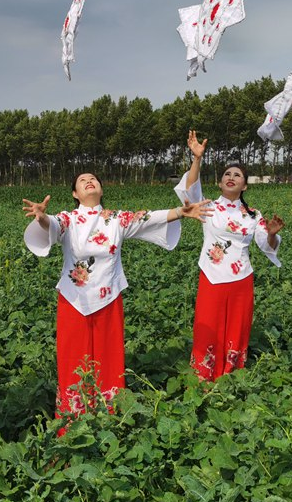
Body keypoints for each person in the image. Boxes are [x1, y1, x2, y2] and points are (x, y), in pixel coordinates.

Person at [22, 172, 211, 429]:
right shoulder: (69, 218)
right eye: (81, 180)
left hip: (108, 298)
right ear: (75, 194)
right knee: (72, 360)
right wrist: (43, 217)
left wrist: (181, 211)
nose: (89, 181)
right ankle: (72, 422)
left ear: (101, 188)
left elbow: (148, 218)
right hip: (73, 300)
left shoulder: (116, 219)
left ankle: (109, 420)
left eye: (94, 179)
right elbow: (53, 226)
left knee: (108, 360)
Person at [175, 131, 284, 381]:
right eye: (227, 174)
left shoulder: (253, 215)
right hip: (211, 276)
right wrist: (197, 159)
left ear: (245, 185)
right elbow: (188, 192)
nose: (231, 177)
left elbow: (266, 245)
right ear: (220, 183)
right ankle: (204, 376)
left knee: (237, 327)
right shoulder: (208, 206)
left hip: (241, 279)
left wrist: (271, 234)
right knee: (208, 327)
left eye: (237, 175)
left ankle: (231, 377)